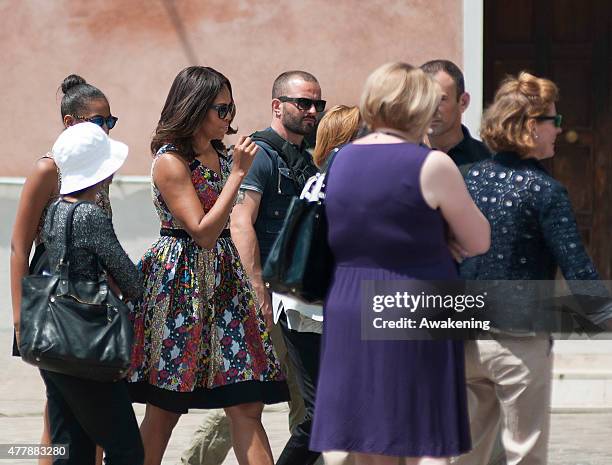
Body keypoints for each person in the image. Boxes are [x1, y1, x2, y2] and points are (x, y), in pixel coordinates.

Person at [309, 62, 490, 465]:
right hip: (417, 295)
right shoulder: (433, 164)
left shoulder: (340, 161)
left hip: (349, 298)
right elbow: (479, 240)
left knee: (366, 432)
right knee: (427, 433)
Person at [127, 66, 288, 465]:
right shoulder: (170, 161)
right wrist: (236, 175)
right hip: (178, 286)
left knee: (246, 401)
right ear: (195, 107)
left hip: (225, 285)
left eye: (231, 107)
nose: (229, 117)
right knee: (165, 408)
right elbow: (202, 231)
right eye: (221, 109)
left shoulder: (220, 154)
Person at [454, 72, 612, 465]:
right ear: (529, 126)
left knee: (464, 453)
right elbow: (577, 268)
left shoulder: (467, 178)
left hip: (462, 336)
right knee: (525, 454)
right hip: (518, 342)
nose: (560, 130)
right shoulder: (544, 190)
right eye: (553, 121)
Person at [10, 74, 116, 465]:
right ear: (71, 123)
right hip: (51, 296)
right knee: (67, 408)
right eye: (99, 121)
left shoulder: (102, 167)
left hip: (93, 297)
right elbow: (20, 246)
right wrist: (21, 319)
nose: (106, 129)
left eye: (110, 122)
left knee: (74, 411)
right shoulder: (47, 170)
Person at [230, 70, 325, 465]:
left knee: (302, 402)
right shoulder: (259, 155)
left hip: (295, 297)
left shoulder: (308, 158)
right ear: (277, 105)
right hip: (266, 295)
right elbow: (240, 222)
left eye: (317, 104)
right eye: (302, 102)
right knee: (244, 400)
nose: (312, 111)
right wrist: (258, 292)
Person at [39, 122, 143, 465]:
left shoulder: (54, 210)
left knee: (72, 448)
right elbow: (131, 281)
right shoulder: (89, 215)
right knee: (126, 448)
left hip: (54, 343)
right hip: (88, 347)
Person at [420, 60, 490, 170]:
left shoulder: (489, 160)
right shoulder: (405, 162)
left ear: (463, 102)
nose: (430, 108)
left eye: (440, 99)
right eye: (424, 100)